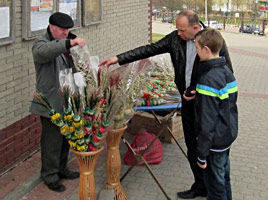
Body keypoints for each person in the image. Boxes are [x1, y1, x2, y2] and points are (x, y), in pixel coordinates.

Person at [100, 10, 232, 199]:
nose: (178, 33)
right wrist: (119, 58)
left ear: (196, 28)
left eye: (182, 30)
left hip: (206, 104)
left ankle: (214, 189)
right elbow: (149, 49)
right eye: (177, 29)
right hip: (186, 103)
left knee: (208, 148)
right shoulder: (175, 39)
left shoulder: (212, 41)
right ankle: (200, 185)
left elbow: (226, 72)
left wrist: (199, 89)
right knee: (192, 147)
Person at [29, 12, 86, 192]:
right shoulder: (40, 44)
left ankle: (62, 169)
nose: (66, 33)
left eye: (68, 30)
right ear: (51, 28)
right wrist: (69, 43)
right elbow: (46, 52)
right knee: (51, 142)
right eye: (62, 30)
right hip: (51, 103)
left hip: (67, 101)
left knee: (65, 139)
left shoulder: (66, 41)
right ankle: (50, 176)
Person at [194, 28, 238, 200]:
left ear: (206, 49)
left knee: (214, 186)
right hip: (226, 137)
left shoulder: (208, 79)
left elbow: (207, 122)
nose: (196, 53)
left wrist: (201, 154)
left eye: (197, 48)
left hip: (213, 144)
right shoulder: (227, 72)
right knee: (224, 178)